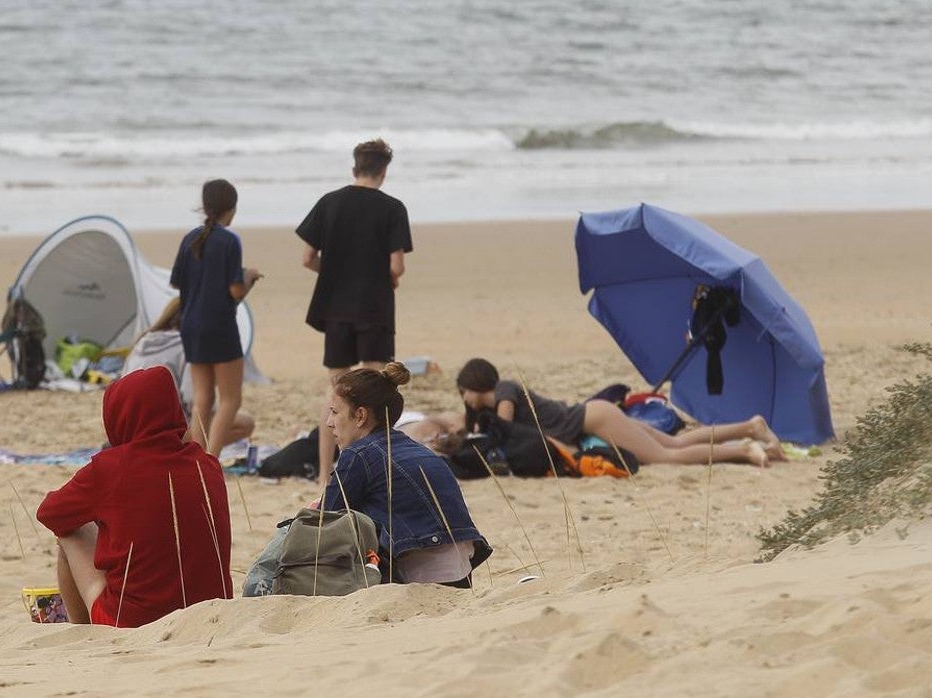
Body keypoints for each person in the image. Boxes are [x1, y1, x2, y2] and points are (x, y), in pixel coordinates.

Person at [35, 366, 233, 626]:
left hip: (133, 621)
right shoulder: (207, 464)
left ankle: (80, 631)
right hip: (212, 616)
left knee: (71, 531)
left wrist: (100, 518)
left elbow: (49, 513)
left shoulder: (109, 469)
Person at [297, 139, 413, 487]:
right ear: (383, 171)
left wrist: (335, 271)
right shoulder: (392, 208)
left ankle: (322, 474)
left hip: (335, 305)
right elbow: (397, 266)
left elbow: (306, 258)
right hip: (374, 303)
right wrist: (382, 277)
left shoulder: (329, 202)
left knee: (335, 389)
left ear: (354, 168)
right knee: (378, 385)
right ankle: (377, 469)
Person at [321, 362, 491, 587]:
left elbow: (324, 521)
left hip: (420, 577)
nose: (329, 422)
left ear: (360, 415)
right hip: (462, 575)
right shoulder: (418, 449)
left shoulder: (358, 454)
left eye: (334, 412)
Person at [455, 358, 784, 468]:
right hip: (594, 415)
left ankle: (742, 451)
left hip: (595, 418)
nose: (463, 398)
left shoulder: (504, 391)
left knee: (664, 457)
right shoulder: (502, 394)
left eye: (463, 391)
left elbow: (507, 428)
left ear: (474, 382)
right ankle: (751, 428)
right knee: (676, 443)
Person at [170, 180, 262, 459]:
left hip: (190, 324)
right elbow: (234, 290)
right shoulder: (229, 241)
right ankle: (210, 459)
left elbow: (177, 283)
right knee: (231, 400)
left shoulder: (191, 239)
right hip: (219, 324)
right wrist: (248, 278)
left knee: (203, 399)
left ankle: (195, 459)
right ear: (231, 209)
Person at [121, 297, 256, 449]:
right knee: (243, 423)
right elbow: (195, 399)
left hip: (127, 429)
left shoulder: (143, 342)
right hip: (162, 433)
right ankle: (190, 454)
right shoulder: (189, 347)